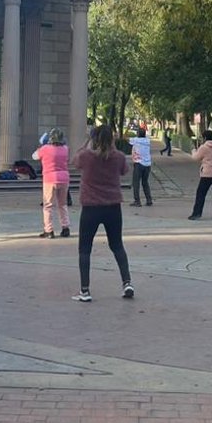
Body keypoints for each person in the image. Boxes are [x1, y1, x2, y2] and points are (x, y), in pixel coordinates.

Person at [71, 124, 134, 302]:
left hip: (91, 207)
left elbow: (75, 161)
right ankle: (127, 282)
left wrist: (86, 143)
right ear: (112, 139)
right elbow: (124, 171)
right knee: (117, 245)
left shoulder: (86, 156)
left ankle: (85, 290)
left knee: (85, 249)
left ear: (94, 139)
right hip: (113, 206)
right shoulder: (119, 157)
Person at [33, 129, 72, 239]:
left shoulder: (45, 149)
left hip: (50, 179)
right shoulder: (65, 149)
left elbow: (34, 156)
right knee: (62, 204)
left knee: (48, 206)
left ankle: (49, 231)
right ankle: (65, 228)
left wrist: (40, 146)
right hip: (64, 179)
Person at [188, 130, 212, 220]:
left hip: (208, 173)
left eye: (202, 137)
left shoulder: (204, 147)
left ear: (205, 138)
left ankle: (197, 213)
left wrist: (194, 150)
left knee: (201, 193)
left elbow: (195, 157)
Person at [129, 127, 154, 207]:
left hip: (138, 163)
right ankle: (149, 200)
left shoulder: (135, 140)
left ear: (138, 134)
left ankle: (137, 201)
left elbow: (126, 138)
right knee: (145, 182)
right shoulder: (147, 141)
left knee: (136, 183)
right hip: (147, 164)